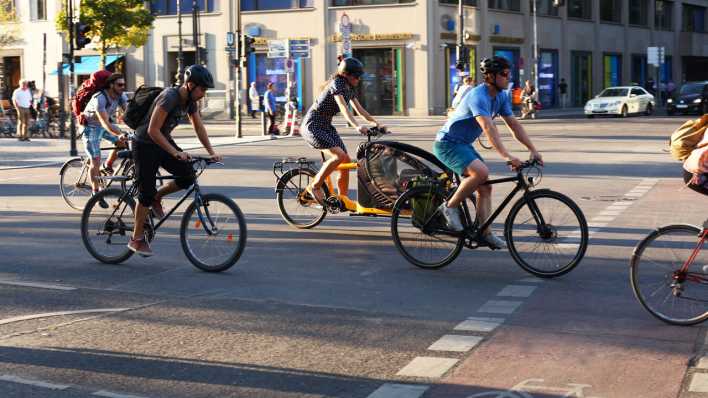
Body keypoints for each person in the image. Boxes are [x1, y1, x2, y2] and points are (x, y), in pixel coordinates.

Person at [433, 56, 543, 249]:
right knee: (481, 173)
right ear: (491, 76)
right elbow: (488, 128)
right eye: (504, 74)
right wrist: (506, 156)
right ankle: (448, 208)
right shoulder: (478, 95)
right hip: (447, 144)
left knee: (485, 187)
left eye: (509, 74)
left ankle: (485, 233)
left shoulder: (500, 96)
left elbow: (514, 125)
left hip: (463, 144)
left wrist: (533, 150)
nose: (508, 78)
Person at [128, 65, 222, 257]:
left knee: (187, 174)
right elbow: (152, 130)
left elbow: (199, 127)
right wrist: (175, 152)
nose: (203, 94)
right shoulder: (169, 97)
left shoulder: (190, 101)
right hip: (145, 143)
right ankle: (136, 239)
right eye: (202, 89)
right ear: (190, 85)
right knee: (145, 192)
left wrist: (211, 152)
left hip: (162, 141)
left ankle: (158, 197)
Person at [300, 57, 386, 205]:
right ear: (346, 75)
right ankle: (314, 187)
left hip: (326, 126)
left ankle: (342, 199)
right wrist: (356, 126)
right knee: (338, 156)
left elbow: (360, 110)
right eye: (356, 76)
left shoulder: (349, 88)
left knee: (345, 159)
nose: (358, 79)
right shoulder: (337, 84)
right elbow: (343, 107)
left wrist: (377, 124)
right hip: (313, 125)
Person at [80, 73, 129, 195]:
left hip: (103, 125)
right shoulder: (100, 98)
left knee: (123, 143)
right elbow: (105, 123)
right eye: (119, 85)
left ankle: (107, 165)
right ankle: (95, 193)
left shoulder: (121, 95)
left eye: (124, 84)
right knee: (95, 160)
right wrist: (120, 134)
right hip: (90, 127)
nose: (123, 87)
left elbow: (129, 114)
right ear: (111, 85)